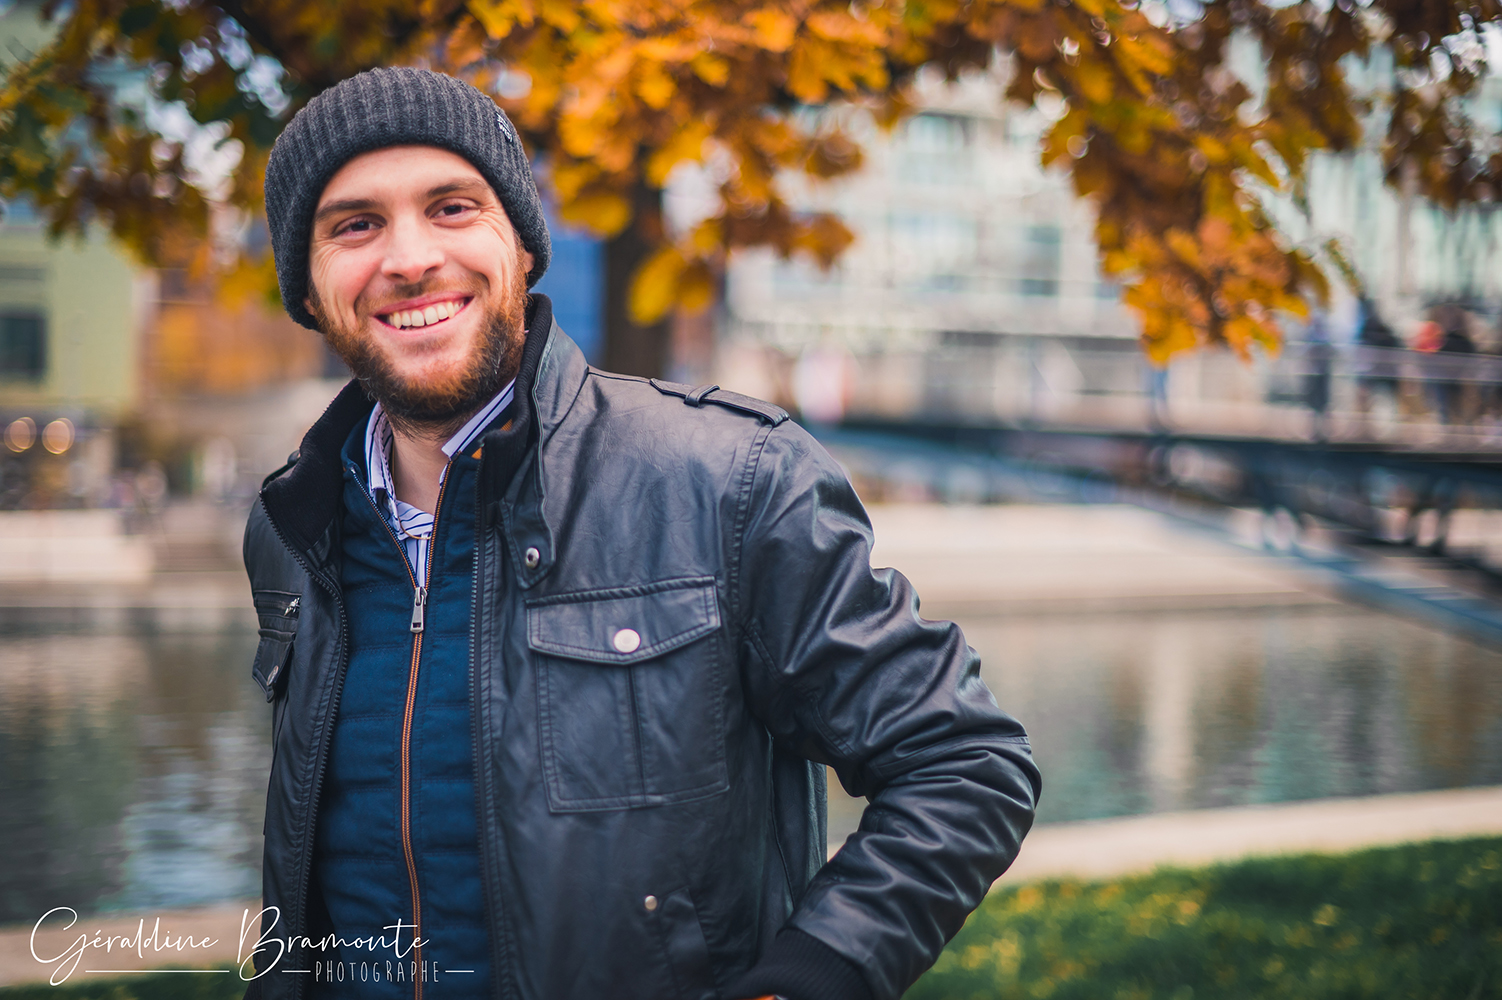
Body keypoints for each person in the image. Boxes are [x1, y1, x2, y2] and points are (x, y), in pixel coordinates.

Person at [241, 67, 1039, 1000]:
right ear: (308, 289)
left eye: (452, 207)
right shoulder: (292, 524)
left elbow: (964, 763)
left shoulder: (731, 480)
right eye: (355, 225)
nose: (410, 259)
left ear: (522, 246)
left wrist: (809, 979)